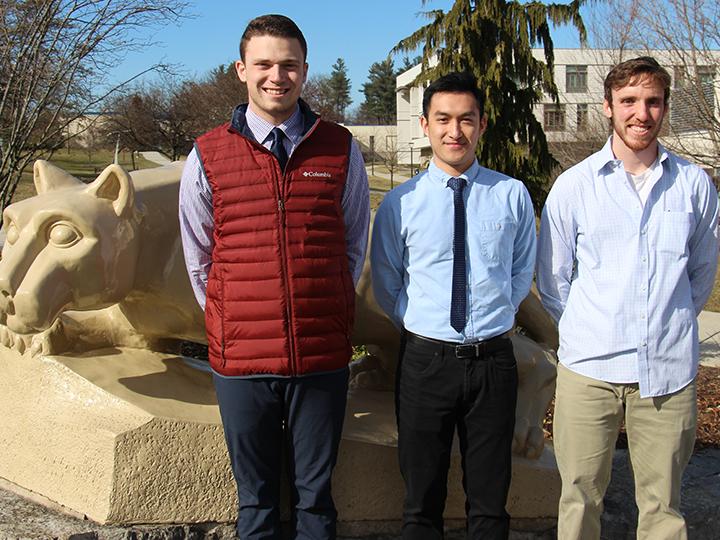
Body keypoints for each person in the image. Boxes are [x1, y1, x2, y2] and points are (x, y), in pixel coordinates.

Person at [178, 14, 369, 539]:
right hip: (241, 361)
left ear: (304, 71)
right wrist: (231, 317)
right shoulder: (207, 154)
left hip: (320, 355)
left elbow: (353, 244)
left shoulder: (340, 147)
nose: (275, 76)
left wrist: (324, 305)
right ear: (242, 69)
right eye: (263, 64)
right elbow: (199, 256)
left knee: (316, 503)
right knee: (256, 504)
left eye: (288, 65)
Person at [537, 56, 719, 540]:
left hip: (666, 375)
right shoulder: (574, 187)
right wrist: (589, 326)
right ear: (609, 106)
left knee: (663, 508)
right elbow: (554, 282)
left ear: (665, 107)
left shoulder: (694, 185)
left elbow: (700, 274)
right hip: (589, 372)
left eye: (653, 101)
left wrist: (669, 323)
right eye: (630, 101)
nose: (642, 113)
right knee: (578, 498)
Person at [371, 72, 536, 539]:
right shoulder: (400, 204)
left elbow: (522, 271)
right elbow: (387, 282)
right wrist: (424, 327)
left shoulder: (511, 195)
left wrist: (495, 314)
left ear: (482, 125)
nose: (454, 131)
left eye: (466, 119)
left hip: (493, 362)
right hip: (425, 363)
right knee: (421, 502)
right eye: (443, 119)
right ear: (424, 124)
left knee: (489, 502)